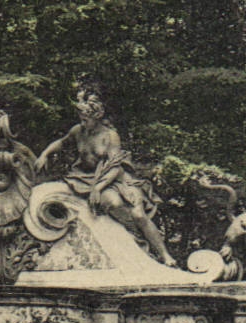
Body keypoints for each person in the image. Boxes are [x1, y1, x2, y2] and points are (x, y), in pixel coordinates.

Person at [35, 85, 177, 266]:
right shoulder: (78, 131)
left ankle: (165, 255)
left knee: (139, 214)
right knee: (113, 203)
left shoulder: (110, 136)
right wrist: (44, 154)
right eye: (81, 118)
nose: (83, 121)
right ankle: (135, 236)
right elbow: (62, 143)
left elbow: (115, 167)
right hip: (87, 178)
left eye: (86, 119)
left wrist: (98, 187)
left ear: (97, 117)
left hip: (117, 179)